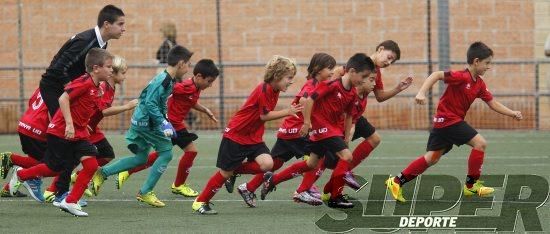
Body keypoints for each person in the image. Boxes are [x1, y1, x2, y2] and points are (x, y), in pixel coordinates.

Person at [385, 41, 523, 203]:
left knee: (432, 158)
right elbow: (436, 75)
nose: (488, 67)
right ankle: (471, 186)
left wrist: (512, 113)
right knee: (480, 143)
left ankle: (396, 181)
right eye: (487, 63)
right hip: (448, 120)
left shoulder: (479, 84)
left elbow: (492, 103)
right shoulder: (461, 77)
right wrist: (421, 93)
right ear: (476, 61)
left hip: (445, 124)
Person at [261, 53, 376, 209]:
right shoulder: (332, 85)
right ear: (352, 71)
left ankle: (272, 180)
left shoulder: (352, 92)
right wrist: (307, 123)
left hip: (331, 130)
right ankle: (335, 196)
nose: (363, 80)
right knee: (346, 157)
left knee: (311, 164)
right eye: (363, 76)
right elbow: (309, 100)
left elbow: (349, 115)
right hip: (323, 128)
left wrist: (346, 136)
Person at [8, 48, 114, 217]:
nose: (111, 70)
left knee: (91, 165)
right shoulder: (84, 82)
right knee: (54, 168)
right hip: (60, 132)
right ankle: (22, 174)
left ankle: (70, 201)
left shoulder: (97, 87)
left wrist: (83, 124)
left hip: (79, 133)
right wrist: (70, 125)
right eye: (108, 67)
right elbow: (63, 98)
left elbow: (85, 108)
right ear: (96, 68)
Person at [192, 55, 302, 215]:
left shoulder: (275, 90)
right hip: (236, 135)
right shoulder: (264, 89)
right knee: (224, 173)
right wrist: (288, 112)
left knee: (267, 164)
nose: (291, 81)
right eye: (289, 77)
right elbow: (264, 116)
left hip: (253, 137)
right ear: (277, 75)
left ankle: (234, 171)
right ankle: (200, 201)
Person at [90, 46, 194, 208]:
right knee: (166, 153)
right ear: (181, 63)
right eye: (188, 64)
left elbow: (160, 102)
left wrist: (166, 119)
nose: (188, 69)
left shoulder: (168, 79)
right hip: (147, 123)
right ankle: (145, 192)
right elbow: (151, 103)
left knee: (141, 158)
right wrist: (162, 122)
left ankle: (103, 173)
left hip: (141, 121)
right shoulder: (164, 80)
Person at [232, 53, 336, 207]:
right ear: (318, 69)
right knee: (316, 157)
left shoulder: (320, 84)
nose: (332, 72)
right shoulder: (311, 84)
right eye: (330, 68)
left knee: (275, 163)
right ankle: (303, 190)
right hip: (297, 130)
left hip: (289, 130)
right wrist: (308, 122)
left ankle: (248, 187)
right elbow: (304, 99)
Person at [115, 59, 220, 199]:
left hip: (175, 124)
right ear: (199, 76)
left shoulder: (196, 87)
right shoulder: (186, 86)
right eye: (209, 81)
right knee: (191, 151)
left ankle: (128, 171)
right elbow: (167, 90)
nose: (211, 85)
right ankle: (178, 185)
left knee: (162, 154)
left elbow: (191, 101)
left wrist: (205, 110)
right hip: (171, 124)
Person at [42, 56, 138, 204]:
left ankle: (71, 185)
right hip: (84, 128)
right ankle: (50, 189)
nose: (125, 77)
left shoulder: (109, 87)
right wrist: (127, 106)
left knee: (104, 155)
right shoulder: (102, 86)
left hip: (90, 128)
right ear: (113, 73)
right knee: (64, 163)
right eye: (123, 73)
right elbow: (104, 111)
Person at [0, 88, 49, 197]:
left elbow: (31, 101)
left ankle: (8, 189)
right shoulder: (64, 86)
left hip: (25, 123)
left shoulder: (45, 83)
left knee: (35, 161)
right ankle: (12, 160)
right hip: (38, 129)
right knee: (52, 164)